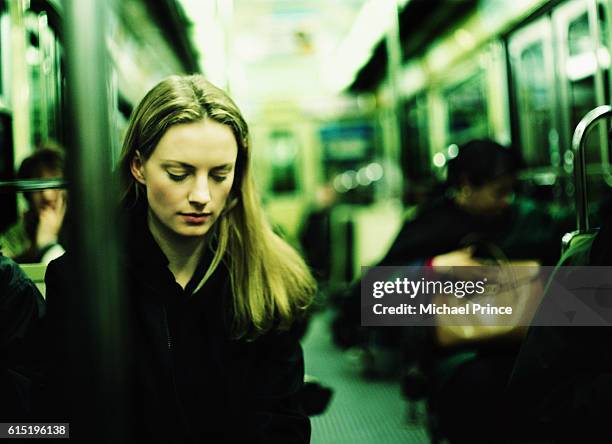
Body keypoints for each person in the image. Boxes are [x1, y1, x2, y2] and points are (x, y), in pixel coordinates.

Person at [39, 75, 316, 442]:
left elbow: (284, 420)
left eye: (220, 175)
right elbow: (55, 416)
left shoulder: (265, 275)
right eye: (179, 173)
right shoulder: (82, 281)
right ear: (138, 166)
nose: (201, 195)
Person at [0, 146, 66, 264]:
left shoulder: (83, 227)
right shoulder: (16, 234)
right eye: (39, 187)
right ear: (28, 195)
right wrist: (35, 251)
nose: (47, 195)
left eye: (54, 185)